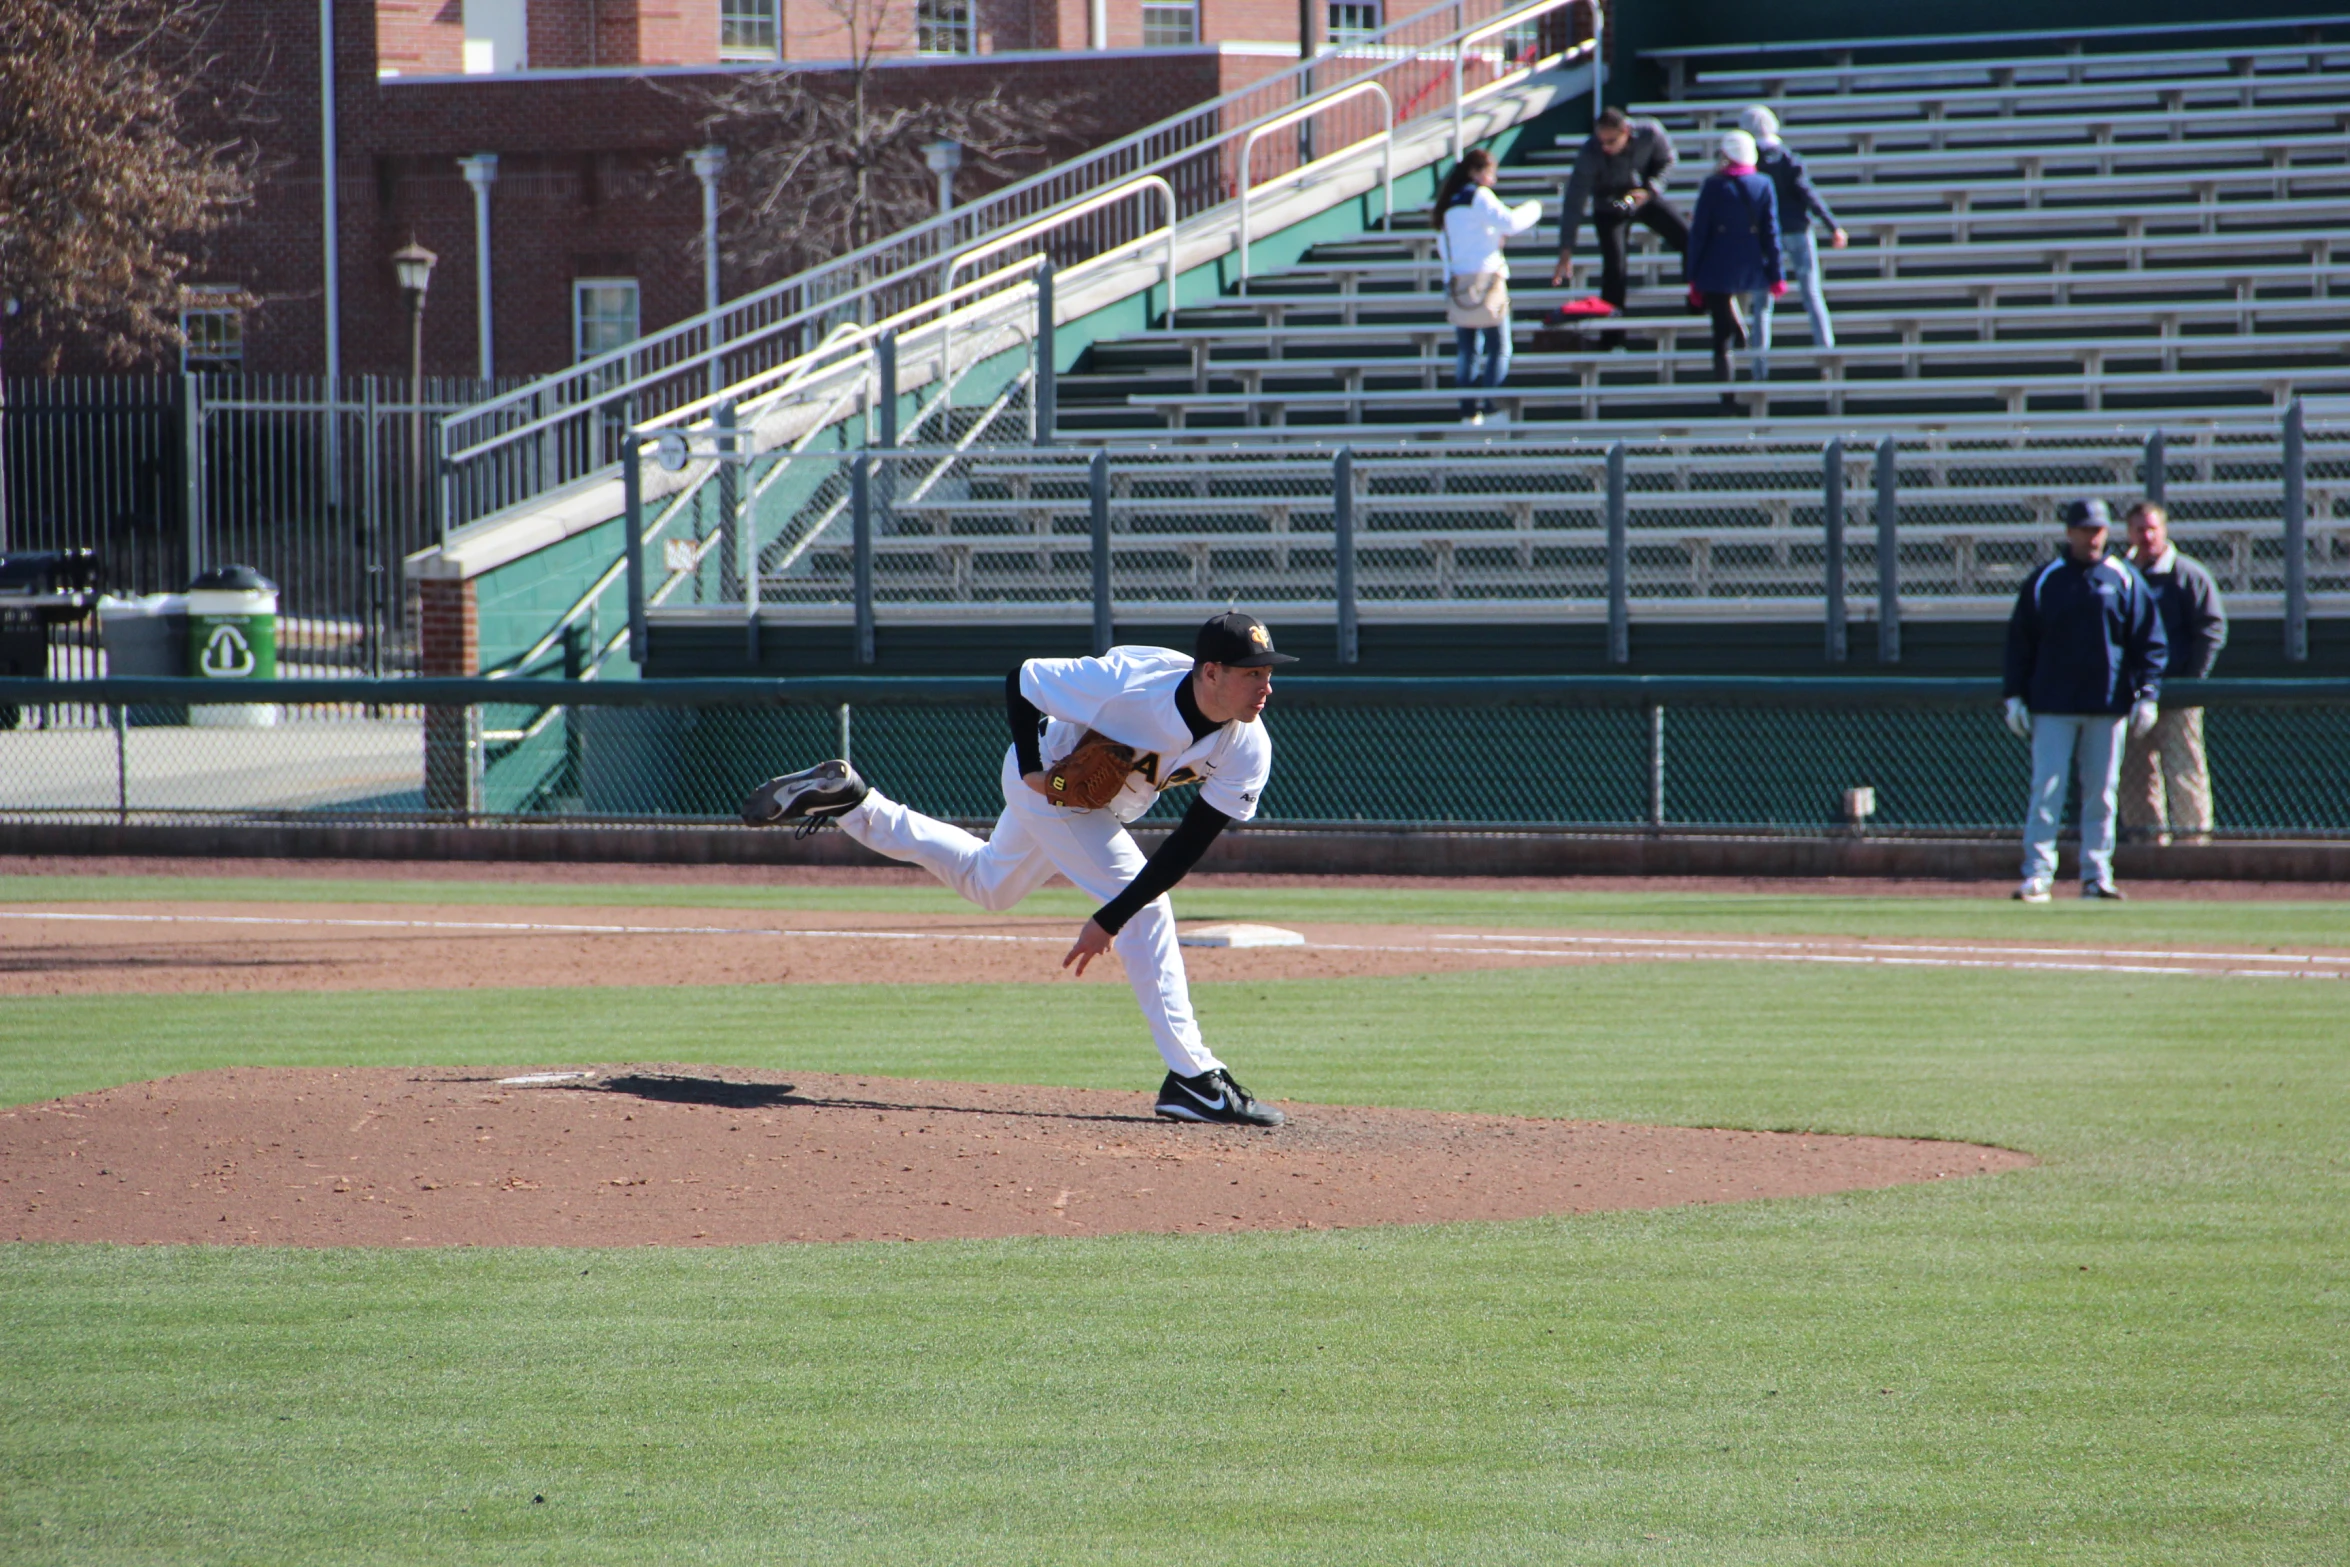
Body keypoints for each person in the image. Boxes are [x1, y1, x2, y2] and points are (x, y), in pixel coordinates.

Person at [740, 612, 1296, 1128]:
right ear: (1212, 672)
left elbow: (1186, 847)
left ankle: (855, 803)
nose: (1266, 686)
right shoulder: (1127, 682)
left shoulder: (1249, 747)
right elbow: (1023, 681)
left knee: (989, 885)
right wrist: (1033, 772)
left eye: (1269, 672)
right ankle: (1193, 1078)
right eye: (1254, 674)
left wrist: (1109, 916)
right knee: (1146, 909)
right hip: (1052, 787)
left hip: (1096, 806)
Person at [2002, 498, 2170, 902]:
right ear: (2069, 532)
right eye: (2084, 529)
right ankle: (2038, 874)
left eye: (2097, 529)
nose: (2092, 537)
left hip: (2106, 704)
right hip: (2053, 703)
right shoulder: (2047, 579)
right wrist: (2014, 695)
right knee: (2047, 791)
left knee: (2101, 793)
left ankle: (2097, 875)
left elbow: (2150, 641)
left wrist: (2147, 694)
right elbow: (2020, 643)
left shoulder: (2123, 578)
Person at [2120, 500, 2228, 844]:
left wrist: (2191, 682)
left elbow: (2212, 630)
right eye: (2140, 528)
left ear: (2164, 530)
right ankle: (2145, 844)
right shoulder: (2121, 575)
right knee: (2135, 776)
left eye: (2152, 528)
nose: (2146, 535)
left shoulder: (2188, 574)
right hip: (2133, 695)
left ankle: (2192, 845)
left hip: (2178, 694)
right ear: (2129, 532)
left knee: (2184, 770)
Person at [1549, 106, 1684, 350]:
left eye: (1611, 141)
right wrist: (1566, 249)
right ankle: (1611, 338)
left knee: (1688, 238)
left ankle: (1699, 303)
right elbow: (1574, 201)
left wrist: (1650, 189)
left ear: (1626, 132)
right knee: (1615, 270)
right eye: (1601, 141)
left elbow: (1668, 159)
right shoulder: (1590, 152)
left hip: (1643, 196)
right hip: (1607, 207)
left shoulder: (1649, 132)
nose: (1605, 147)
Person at [1738, 105, 1848, 379]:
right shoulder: (1788, 159)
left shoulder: (1751, 164)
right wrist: (1831, 226)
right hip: (1797, 229)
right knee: (1811, 292)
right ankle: (1825, 353)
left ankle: (1759, 368)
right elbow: (1808, 193)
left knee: (1762, 303)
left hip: (1765, 234)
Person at [1435, 149, 1541, 425]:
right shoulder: (1478, 196)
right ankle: (1492, 407)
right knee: (1500, 347)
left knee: (1468, 350)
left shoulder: (1448, 204)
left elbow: (1448, 246)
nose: (1492, 181)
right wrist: (1535, 207)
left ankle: (1468, 413)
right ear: (1475, 172)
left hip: (1459, 283)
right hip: (1487, 282)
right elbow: (1511, 222)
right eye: (1490, 173)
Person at [1684, 129, 1783, 408]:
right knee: (1759, 322)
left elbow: (1699, 233)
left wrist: (1692, 275)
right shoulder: (1763, 184)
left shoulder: (1714, 186)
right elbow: (1771, 232)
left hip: (1716, 268)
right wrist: (1777, 274)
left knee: (1720, 337)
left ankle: (1727, 398)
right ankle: (1759, 381)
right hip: (1752, 266)